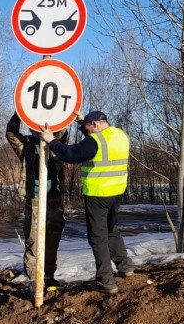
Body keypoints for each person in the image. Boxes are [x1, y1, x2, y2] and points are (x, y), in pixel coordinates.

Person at [41, 111, 133, 295]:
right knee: (111, 229)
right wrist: (83, 121)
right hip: (116, 192)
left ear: (96, 125)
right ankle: (126, 267)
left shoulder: (94, 141)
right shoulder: (120, 135)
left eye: (88, 128)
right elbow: (98, 145)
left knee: (98, 237)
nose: (86, 131)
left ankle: (106, 281)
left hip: (98, 194)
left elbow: (70, 154)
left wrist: (51, 140)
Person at [6, 112, 68, 291]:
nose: (39, 128)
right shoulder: (25, 144)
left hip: (54, 199)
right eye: (35, 125)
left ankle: (48, 277)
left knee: (52, 239)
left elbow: (63, 128)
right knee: (34, 240)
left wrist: (59, 118)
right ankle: (35, 279)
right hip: (34, 198)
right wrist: (21, 112)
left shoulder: (56, 144)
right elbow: (10, 133)